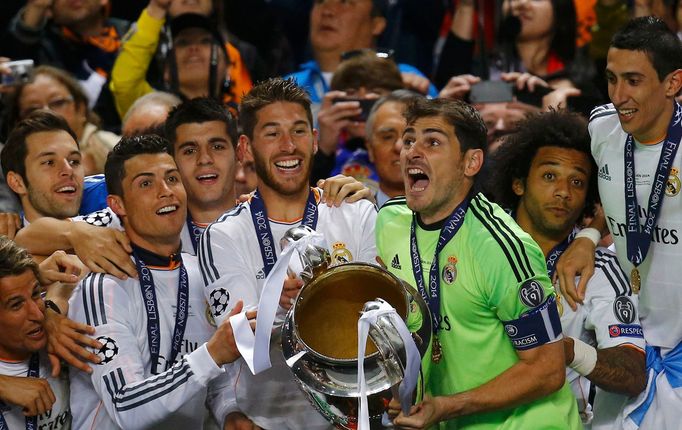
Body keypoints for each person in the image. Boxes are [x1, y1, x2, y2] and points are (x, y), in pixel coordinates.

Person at [375, 97, 581, 429]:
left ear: (470, 163)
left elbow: (548, 369)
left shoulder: (500, 245)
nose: (413, 151)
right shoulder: (389, 223)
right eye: (409, 139)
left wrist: (446, 406)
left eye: (433, 142)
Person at [198, 77, 377, 429]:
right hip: (264, 421)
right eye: (272, 133)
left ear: (314, 140)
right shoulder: (223, 234)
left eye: (298, 132)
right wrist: (275, 305)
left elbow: (383, 320)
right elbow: (245, 347)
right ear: (246, 149)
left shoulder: (355, 212)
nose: (287, 146)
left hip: (352, 419)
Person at [68, 134, 253, 429]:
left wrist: (229, 412)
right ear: (118, 205)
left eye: (172, 178)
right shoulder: (103, 288)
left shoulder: (201, 273)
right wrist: (212, 353)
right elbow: (126, 406)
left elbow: (213, 381)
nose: (165, 191)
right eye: (145, 183)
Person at [556, 16, 682, 429]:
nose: (619, 95)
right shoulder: (602, 128)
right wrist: (589, 237)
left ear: (672, 83)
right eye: (612, 79)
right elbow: (603, 198)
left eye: (633, 80)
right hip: (629, 342)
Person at [487, 109, 646, 428]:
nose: (563, 192)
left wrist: (569, 351)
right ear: (518, 183)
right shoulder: (474, 243)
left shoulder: (600, 271)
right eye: (549, 176)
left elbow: (632, 373)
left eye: (577, 181)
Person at [0, 238, 95, 429]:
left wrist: (52, 310)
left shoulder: (58, 332)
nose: (37, 313)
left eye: (36, 293)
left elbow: (79, 267)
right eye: (16, 305)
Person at [285, 0, 437, 114]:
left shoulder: (407, 82)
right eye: (320, 1)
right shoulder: (287, 86)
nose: (327, 11)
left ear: (376, 25)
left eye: (345, 2)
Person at [110, 0, 252, 119]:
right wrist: (156, 9)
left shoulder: (246, 119)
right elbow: (125, 84)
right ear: (165, 70)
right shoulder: (153, 113)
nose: (194, 48)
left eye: (205, 41)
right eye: (183, 43)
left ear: (228, 66)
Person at [1, 0, 130, 129]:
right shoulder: (41, 49)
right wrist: (37, 7)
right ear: (49, 8)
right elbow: (17, 52)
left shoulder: (134, 36)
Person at [4, 66, 120, 175]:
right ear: (18, 122)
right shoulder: (10, 166)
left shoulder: (115, 148)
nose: (47, 112)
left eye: (58, 103)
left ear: (80, 108)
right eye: (33, 109)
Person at [364, 90, 422, 207]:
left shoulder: (464, 219)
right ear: (370, 149)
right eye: (387, 137)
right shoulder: (352, 218)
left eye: (411, 138)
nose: (399, 146)